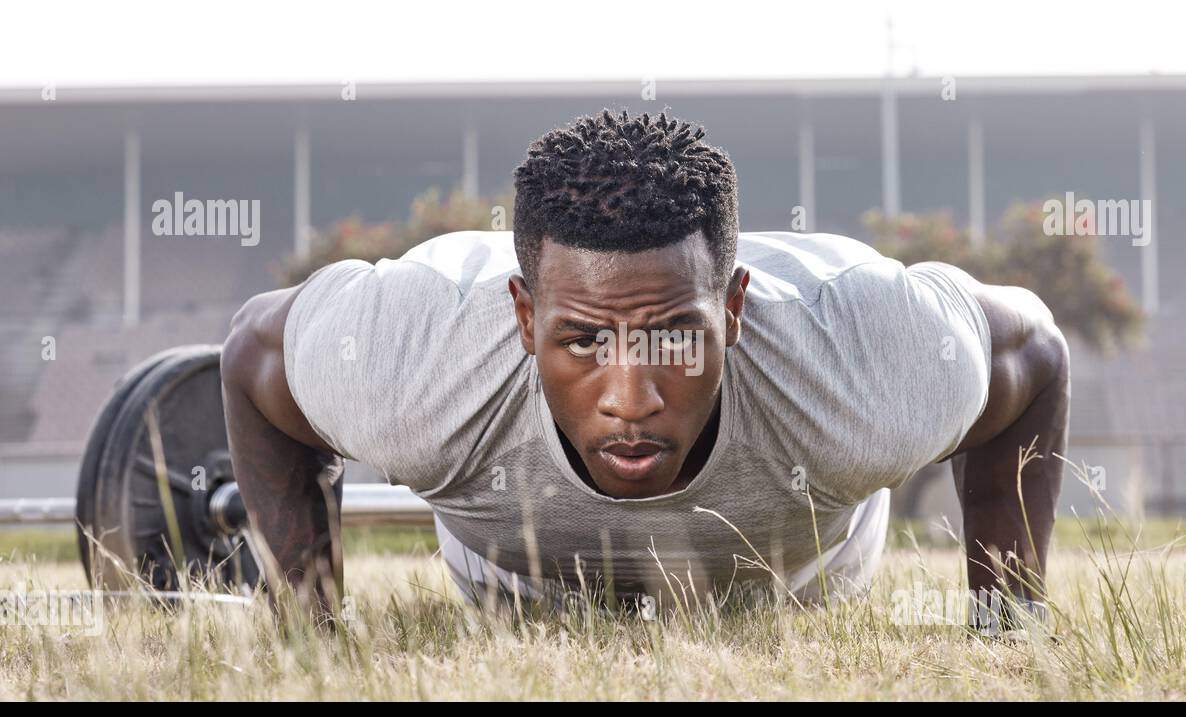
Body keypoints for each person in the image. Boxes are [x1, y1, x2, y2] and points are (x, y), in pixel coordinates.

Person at [220, 109, 1069, 627]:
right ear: (524, 316)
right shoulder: (414, 356)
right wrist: (308, 628)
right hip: (512, 586)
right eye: (585, 341)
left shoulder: (865, 359)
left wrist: (1007, 626)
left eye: (673, 337)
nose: (631, 399)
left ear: (733, 310)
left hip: (797, 583)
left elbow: (1034, 351)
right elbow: (252, 350)